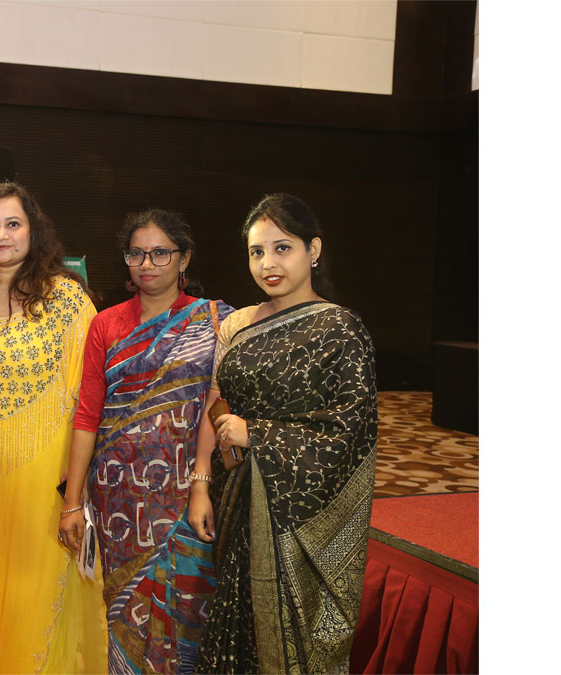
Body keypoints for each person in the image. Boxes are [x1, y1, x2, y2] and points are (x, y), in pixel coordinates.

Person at [193, 193, 377, 674]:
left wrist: (257, 434)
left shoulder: (341, 328)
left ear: (313, 249)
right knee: (237, 622)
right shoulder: (238, 324)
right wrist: (221, 453)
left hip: (300, 514)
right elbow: (219, 401)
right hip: (240, 496)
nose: (268, 263)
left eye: (282, 248)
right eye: (257, 251)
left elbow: (350, 432)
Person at [0, 181, 107, 674]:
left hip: (43, 488)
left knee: (34, 606)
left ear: (33, 232)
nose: (2, 236)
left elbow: (89, 405)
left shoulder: (68, 303)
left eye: (13, 224)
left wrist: (75, 494)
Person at [60, 209, 234, 674]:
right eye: (136, 253)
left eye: (160, 252)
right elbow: (87, 415)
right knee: (124, 611)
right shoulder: (106, 325)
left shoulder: (216, 322)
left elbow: (224, 404)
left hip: (187, 492)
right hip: (119, 501)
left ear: (184, 258)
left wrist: (202, 480)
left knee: (189, 606)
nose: (147, 263)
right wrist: (72, 502)